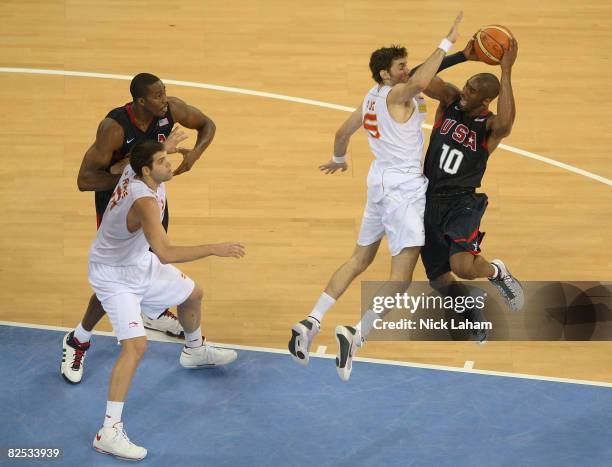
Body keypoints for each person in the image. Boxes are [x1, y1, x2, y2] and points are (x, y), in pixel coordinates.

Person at [288, 13, 464, 381]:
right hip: (402, 190)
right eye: (399, 67)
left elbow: (342, 131)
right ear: (386, 74)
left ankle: (311, 321)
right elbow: (420, 80)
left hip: (378, 183)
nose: (405, 71)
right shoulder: (400, 94)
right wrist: (447, 42)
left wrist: (339, 159)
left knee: (358, 259)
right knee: (400, 277)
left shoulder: (370, 98)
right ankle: (357, 333)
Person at [89, 140, 244, 460]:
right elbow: (166, 253)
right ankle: (109, 431)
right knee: (136, 346)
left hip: (136, 263)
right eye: (163, 161)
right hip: (114, 275)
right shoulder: (144, 201)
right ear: (147, 171)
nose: (170, 164)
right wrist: (214, 248)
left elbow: (138, 157)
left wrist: (168, 147)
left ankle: (195, 351)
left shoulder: (138, 172)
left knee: (193, 295)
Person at [61, 73, 216, 384]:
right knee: (115, 274)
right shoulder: (114, 128)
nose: (165, 99)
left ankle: (151, 311)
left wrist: (195, 155)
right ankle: (78, 340)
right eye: (158, 96)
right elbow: (85, 180)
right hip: (118, 208)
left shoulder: (170, 110)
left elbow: (207, 125)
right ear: (140, 101)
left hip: (150, 194)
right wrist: (129, 179)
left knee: (149, 259)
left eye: (165, 93)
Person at [421, 38, 524, 343]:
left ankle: (496, 273)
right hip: (426, 200)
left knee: (463, 267)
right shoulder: (450, 101)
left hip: (460, 203)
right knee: (439, 280)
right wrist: (462, 56)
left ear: (486, 100)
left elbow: (507, 123)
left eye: (472, 91)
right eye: (466, 86)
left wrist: (505, 71)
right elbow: (419, 76)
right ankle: (473, 313)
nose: (464, 92)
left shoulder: (489, 126)